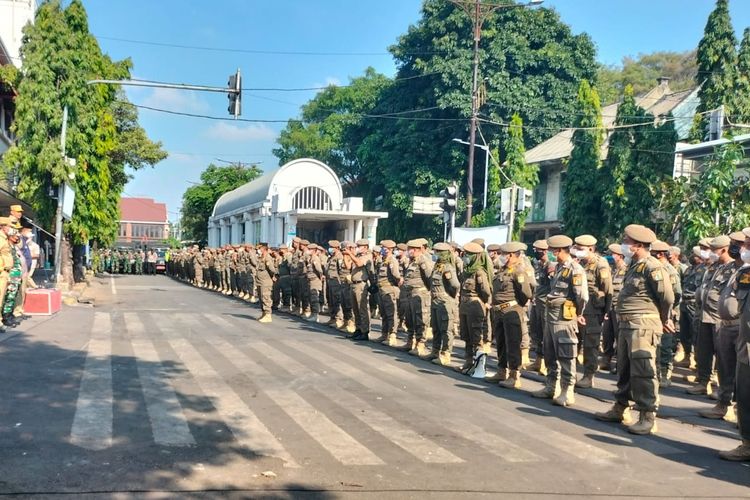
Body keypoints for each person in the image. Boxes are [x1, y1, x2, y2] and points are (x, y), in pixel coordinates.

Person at [596, 224, 674, 435]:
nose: (624, 245)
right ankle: (621, 407)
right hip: (626, 324)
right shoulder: (635, 265)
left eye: (627, 242)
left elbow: (667, 297)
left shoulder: (653, 266)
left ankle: (648, 416)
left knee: (643, 371)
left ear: (638, 245)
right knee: (625, 368)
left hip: (643, 324)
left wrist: (664, 318)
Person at [532, 235, 587, 407]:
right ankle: (551, 386)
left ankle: (567, 390)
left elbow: (581, 296)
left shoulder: (575, 269)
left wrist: (578, 313)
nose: (551, 254)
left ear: (559, 251)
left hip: (565, 317)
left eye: (553, 251)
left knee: (566, 354)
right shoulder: (558, 268)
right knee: (549, 352)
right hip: (551, 315)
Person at [702, 231, 745, 422]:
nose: (737, 247)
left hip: (741, 326)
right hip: (725, 324)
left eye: (740, 244)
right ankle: (723, 404)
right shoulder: (732, 269)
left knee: (741, 372)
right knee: (724, 367)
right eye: (735, 243)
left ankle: (739, 411)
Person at [688, 235, 735, 396]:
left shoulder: (733, 268)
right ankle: (703, 382)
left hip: (719, 318)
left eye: (714, 250)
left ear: (724, 250)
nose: (711, 253)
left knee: (722, 356)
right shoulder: (714, 267)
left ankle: (721, 389)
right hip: (704, 315)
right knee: (703, 351)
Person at [719, 226, 750, 461]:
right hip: (745, 346)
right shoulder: (744, 273)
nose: (743, 248)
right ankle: (747, 443)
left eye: (748, 244)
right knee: (745, 396)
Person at [487, 241, 533, 389]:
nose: (500, 256)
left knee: (513, 344)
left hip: (511, 311)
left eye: (503, 254)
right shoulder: (502, 270)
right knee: (500, 343)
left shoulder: (518, 271)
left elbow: (525, 293)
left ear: (511, 255)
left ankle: (514, 376)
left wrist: (516, 305)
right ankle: (501, 371)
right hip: (499, 311)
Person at [573, 234, 612, 389]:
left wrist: (606, 311)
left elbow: (607, 289)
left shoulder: (600, 264)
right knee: (575, 343)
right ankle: (572, 374)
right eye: (576, 248)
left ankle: (589, 376)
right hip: (578, 309)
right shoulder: (579, 263)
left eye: (580, 249)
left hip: (593, 310)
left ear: (591, 249)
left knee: (591, 344)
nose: (577, 251)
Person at [457, 242, 492, 375]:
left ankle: (479, 367)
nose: (465, 256)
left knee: (476, 337)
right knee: (466, 336)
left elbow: (486, 292)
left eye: (468, 254)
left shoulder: (479, 272)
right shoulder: (467, 271)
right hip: (465, 306)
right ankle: (468, 362)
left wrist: (482, 302)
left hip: (475, 307)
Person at [650, 240, 682, 387]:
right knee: (654, 345)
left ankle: (665, 373)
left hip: (667, 313)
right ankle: (655, 373)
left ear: (660, 254)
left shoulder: (670, 271)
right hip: (653, 313)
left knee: (665, 344)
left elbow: (676, 294)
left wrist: (667, 312)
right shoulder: (651, 267)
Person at [428, 242, 460, 366]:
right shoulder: (437, 266)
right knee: (435, 328)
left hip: (444, 301)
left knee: (446, 329)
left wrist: (449, 296)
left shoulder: (448, 267)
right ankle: (435, 351)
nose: (434, 254)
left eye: (437, 252)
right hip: (435, 300)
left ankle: (446, 354)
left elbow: (455, 285)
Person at [399, 240, 433, 355]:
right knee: (410, 319)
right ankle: (410, 341)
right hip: (410, 294)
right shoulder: (413, 261)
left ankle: (420, 344)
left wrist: (426, 291)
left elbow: (429, 278)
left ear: (417, 249)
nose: (409, 251)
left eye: (410, 249)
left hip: (420, 294)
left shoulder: (423, 260)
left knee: (420, 320)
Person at [600, 243, 627, 373]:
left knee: (619, 336)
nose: (608, 256)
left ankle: (620, 363)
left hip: (619, 308)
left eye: (612, 254)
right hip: (609, 307)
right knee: (607, 334)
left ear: (620, 256)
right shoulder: (610, 270)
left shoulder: (626, 271)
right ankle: (606, 360)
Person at [529, 239, 554, 375]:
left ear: (544, 251)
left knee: (546, 334)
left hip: (546, 304)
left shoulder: (551, 265)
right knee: (536, 332)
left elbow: (553, 286)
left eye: (536, 250)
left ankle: (545, 363)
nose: (535, 253)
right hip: (537, 302)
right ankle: (538, 361)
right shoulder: (539, 264)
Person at [375, 240, 402, 346]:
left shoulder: (392, 260)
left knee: (391, 313)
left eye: (384, 248)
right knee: (384, 313)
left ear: (390, 249)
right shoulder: (384, 260)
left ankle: (392, 335)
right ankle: (384, 334)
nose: (382, 249)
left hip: (389, 290)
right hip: (382, 290)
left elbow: (396, 276)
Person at [346, 239, 373, 341]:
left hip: (361, 284)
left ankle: (365, 331)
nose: (357, 248)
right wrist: (346, 255)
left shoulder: (367, 256)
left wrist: (350, 254)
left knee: (362, 309)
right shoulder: (357, 256)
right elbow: (348, 266)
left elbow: (359, 264)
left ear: (365, 247)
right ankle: (358, 329)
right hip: (353, 284)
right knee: (355, 309)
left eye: (359, 246)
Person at [256, 243, 277, 323]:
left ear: (263, 249)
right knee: (261, 299)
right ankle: (264, 313)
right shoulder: (261, 258)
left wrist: (274, 276)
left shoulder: (267, 258)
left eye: (259, 248)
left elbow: (272, 269)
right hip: (260, 281)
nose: (258, 250)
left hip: (265, 282)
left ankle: (268, 315)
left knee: (266, 298)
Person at [306, 244, 324, 323]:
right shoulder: (310, 258)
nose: (308, 250)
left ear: (313, 250)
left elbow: (319, 270)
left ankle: (315, 315)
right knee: (311, 298)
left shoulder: (315, 258)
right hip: (311, 280)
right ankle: (313, 314)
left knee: (314, 298)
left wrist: (320, 278)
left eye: (309, 249)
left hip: (315, 281)